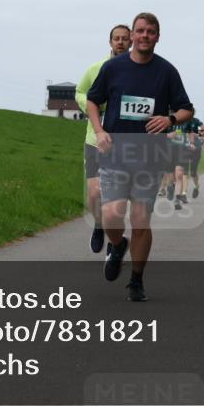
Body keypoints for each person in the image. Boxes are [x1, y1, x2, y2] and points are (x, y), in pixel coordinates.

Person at [86, 12, 193, 301]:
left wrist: (170, 120)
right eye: (140, 31)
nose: (145, 36)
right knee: (110, 214)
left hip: (149, 155)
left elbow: (187, 109)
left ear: (158, 37)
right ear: (132, 35)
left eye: (151, 32)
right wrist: (99, 131)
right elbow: (93, 101)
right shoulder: (113, 68)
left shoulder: (167, 71)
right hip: (115, 152)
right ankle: (118, 245)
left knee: (141, 218)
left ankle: (136, 280)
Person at [76, 24, 132, 252]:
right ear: (110, 42)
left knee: (117, 197)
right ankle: (99, 225)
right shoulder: (96, 68)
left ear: (131, 43)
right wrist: (94, 106)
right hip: (95, 139)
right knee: (95, 192)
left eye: (124, 39)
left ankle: (115, 240)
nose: (120, 42)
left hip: (125, 142)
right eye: (116, 38)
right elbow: (80, 92)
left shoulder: (136, 71)